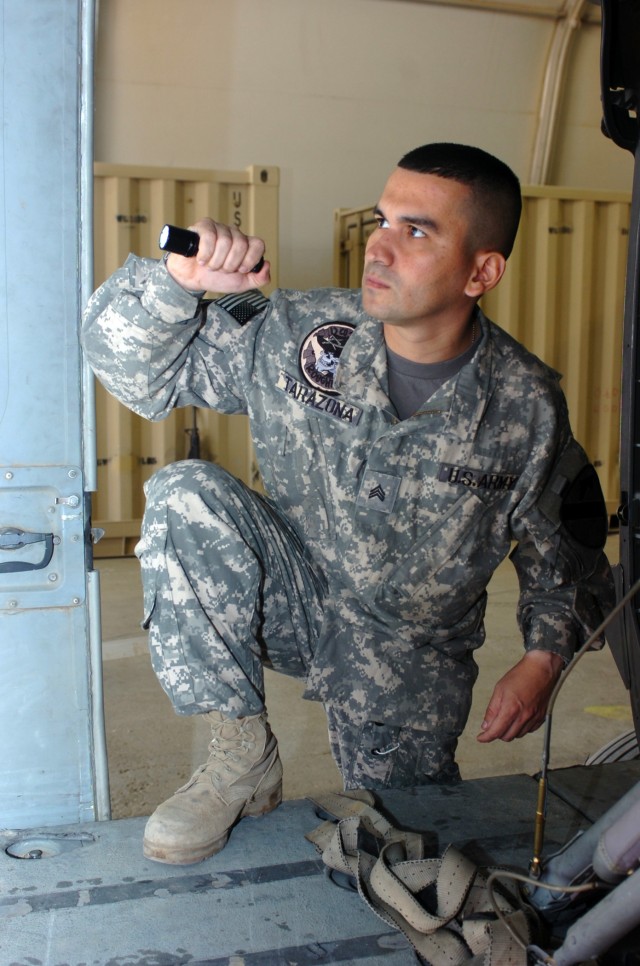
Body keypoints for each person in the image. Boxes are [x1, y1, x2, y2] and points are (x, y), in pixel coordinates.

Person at [82, 142, 614, 866]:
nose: (380, 246)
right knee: (185, 493)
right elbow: (136, 371)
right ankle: (240, 753)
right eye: (382, 219)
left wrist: (543, 660)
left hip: (406, 661)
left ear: (482, 271)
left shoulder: (525, 406)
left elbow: (567, 555)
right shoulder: (299, 333)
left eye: (416, 230)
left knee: (405, 856)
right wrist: (179, 282)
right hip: (291, 595)